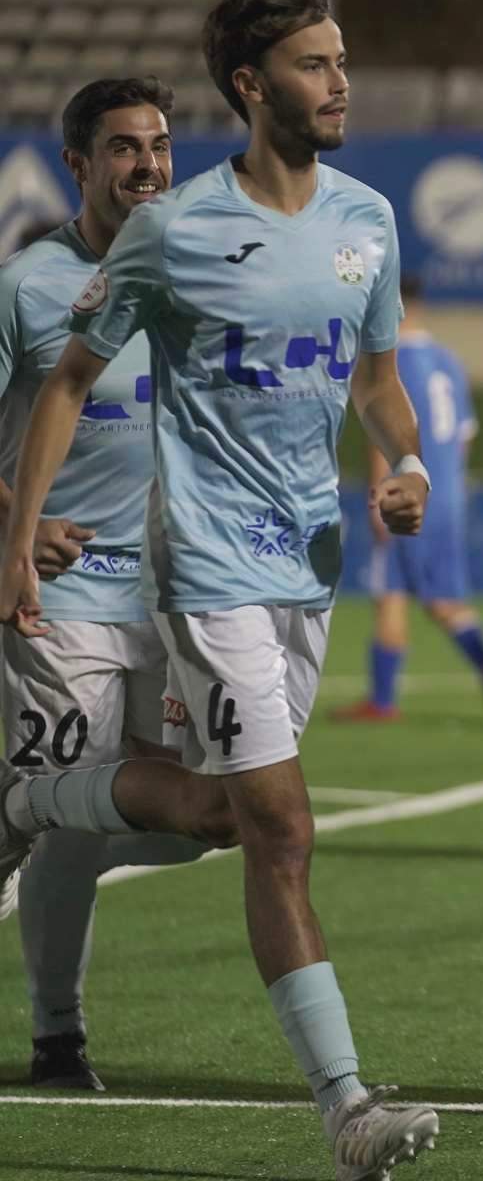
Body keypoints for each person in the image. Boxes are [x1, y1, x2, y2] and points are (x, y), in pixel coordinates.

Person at [0, 0, 440, 1178]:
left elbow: (378, 377)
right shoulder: (172, 229)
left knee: (228, 825)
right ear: (253, 86)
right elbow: (71, 378)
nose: (340, 81)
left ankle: (41, 798)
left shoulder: (366, 219)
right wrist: (13, 538)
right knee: (282, 823)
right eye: (316, 63)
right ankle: (346, 1104)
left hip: (310, 563)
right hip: (202, 565)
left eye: (343, 60)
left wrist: (405, 460)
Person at [0, 76, 216, 1092]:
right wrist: (18, 520)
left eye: (160, 144)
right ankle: (57, 1038)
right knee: (70, 816)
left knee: (199, 816)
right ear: (80, 166)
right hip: (61, 597)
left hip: (172, 601)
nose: (148, 164)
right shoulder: (26, 285)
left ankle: (13, 810)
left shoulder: (194, 278)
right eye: (124, 147)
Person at [334, 274, 483, 725]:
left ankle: (384, 699)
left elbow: (383, 433)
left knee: (397, 593)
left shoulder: (388, 362)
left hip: (407, 493)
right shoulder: (448, 361)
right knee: (428, 595)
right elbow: (465, 438)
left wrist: (381, 493)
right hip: (448, 492)